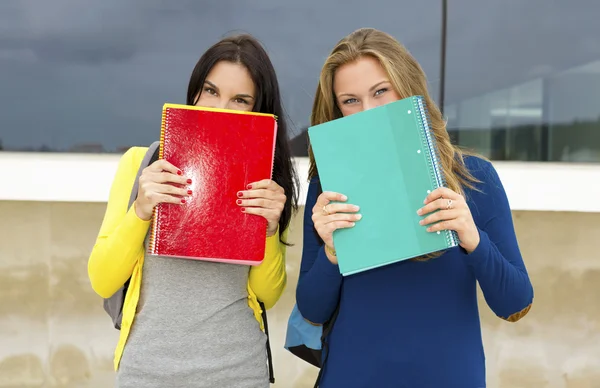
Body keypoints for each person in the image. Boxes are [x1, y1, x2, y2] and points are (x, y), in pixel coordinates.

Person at [296, 28, 534, 388]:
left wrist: (473, 238)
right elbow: (312, 310)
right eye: (350, 100)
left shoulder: (474, 177)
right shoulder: (328, 186)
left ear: (407, 87)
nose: (368, 110)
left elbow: (515, 303)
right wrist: (331, 253)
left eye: (380, 91)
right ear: (337, 109)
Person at [88, 34, 298, 388]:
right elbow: (103, 279)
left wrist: (269, 230)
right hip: (146, 373)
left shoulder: (266, 180)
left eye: (240, 99)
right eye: (211, 91)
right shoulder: (141, 164)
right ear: (194, 92)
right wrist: (140, 210)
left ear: (259, 110)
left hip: (239, 373)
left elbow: (268, 295)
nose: (220, 107)